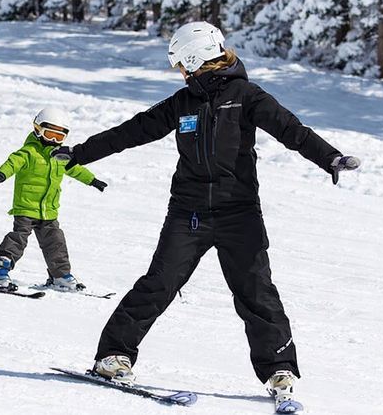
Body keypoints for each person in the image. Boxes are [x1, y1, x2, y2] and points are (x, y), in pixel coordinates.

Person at [50, 22, 360, 406]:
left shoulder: (246, 96)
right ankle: (113, 356)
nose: (180, 71)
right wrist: (79, 153)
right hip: (188, 212)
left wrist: (330, 157)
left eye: (181, 63)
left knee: (255, 291)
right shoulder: (182, 103)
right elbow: (133, 131)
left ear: (194, 58)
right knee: (159, 283)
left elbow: (291, 129)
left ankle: (279, 369)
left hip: (239, 213)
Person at [0, 108, 109, 291]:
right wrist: (1, 175)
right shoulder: (28, 152)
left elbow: (75, 168)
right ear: (37, 129)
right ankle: (0, 271)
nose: (53, 140)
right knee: (18, 238)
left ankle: (61, 275)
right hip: (26, 207)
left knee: (56, 242)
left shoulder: (61, 156)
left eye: (59, 137)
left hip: (49, 210)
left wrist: (92, 180)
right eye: (49, 134)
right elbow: (12, 163)